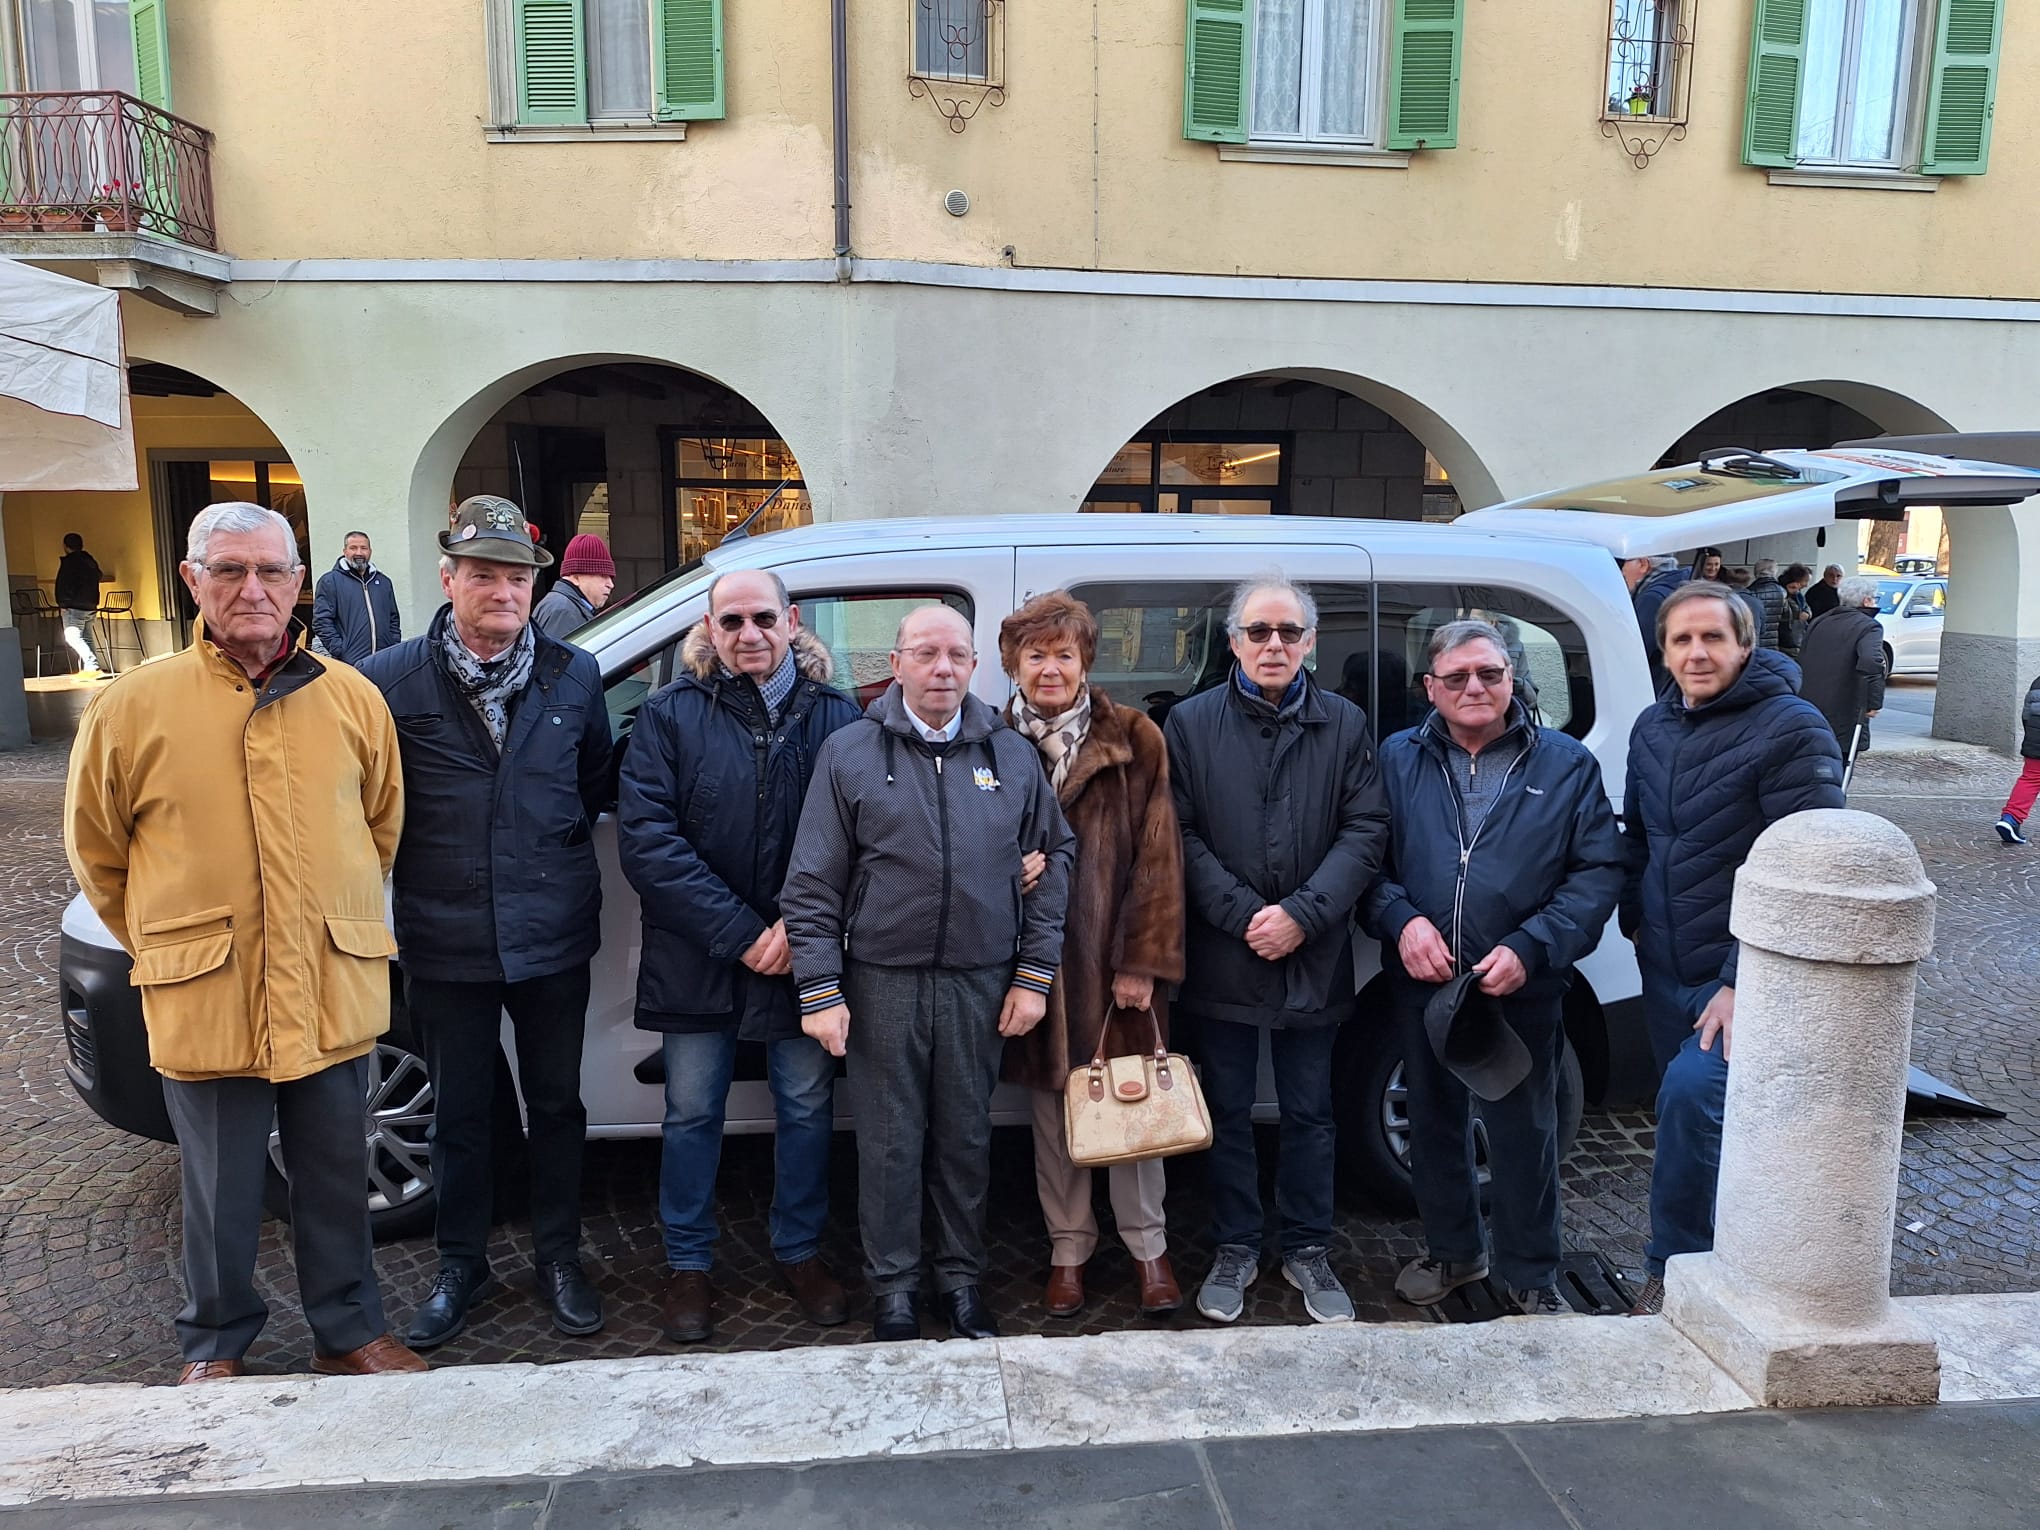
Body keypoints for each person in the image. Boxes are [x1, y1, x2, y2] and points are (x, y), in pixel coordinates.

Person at [65, 502, 426, 1383]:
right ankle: (216, 1347)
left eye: (270, 571)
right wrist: (171, 940)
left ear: (300, 583)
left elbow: (381, 828)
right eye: (228, 570)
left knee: (337, 1176)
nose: (251, 589)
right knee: (220, 1188)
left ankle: (348, 1332)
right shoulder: (133, 707)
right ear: (193, 581)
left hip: (329, 985)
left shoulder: (350, 697)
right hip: (208, 987)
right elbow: (99, 855)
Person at [357, 495, 613, 1349]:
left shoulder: (573, 675)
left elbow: (588, 786)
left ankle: (559, 1258)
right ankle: (459, 1265)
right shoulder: (388, 681)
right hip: (445, 934)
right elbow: (363, 807)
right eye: (483, 575)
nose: (501, 591)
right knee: (460, 1114)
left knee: (558, 1105)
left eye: (516, 577)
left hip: (551, 933)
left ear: (535, 584)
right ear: (448, 578)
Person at [782, 602, 1074, 1343]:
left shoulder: (1008, 755)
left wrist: (1034, 975)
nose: (941, 668)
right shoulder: (849, 754)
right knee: (887, 1141)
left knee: (965, 1138)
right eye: (925, 654)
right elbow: (812, 882)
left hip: (981, 980)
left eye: (955, 655)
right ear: (898, 665)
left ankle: (961, 1280)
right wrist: (820, 990)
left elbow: (1056, 858)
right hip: (882, 979)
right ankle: (895, 1289)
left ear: (974, 666)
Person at [617, 569, 861, 1344]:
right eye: (732, 620)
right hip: (700, 954)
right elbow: (649, 841)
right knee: (691, 1114)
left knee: (806, 1108)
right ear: (709, 627)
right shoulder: (668, 714)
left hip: (803, 954)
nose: (748, 633)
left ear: (792, 621)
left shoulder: (836, 717)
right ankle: (687, 1264)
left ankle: (800, 1250)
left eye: (763, 617)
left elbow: (863, 837)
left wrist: (798, 927)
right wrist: (745, 933)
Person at [1366, 620, 1623, 1318]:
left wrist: (1535, 945)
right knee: (1434, 1122)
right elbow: (1367, 862)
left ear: (1513, 678)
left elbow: (1598, 872)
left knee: (1523, 1130)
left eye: (1489, 674)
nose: (1474, 688)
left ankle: (1531, 1270)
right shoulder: (1397, 757)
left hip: (1521, 981)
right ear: (1431, 687)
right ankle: (1454, 1253)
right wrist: (1401, 921)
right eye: (1456, 677)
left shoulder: (1565, 764)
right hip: (1424, 980)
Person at [1164, 574, 1389, 1326]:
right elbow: (1180, 834)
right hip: (1223, 948)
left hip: (1313, 948)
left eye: (1288, 632)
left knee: (1311, 1111)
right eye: (1258, 631)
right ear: (1231, 641)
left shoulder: (1345, 723)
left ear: (1310, 643)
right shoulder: (1190, 725)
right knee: (1224, 1107)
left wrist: (1302, 914)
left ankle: (1305, 1246)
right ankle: (1234, 1244)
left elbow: (1366, 830)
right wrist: (1240, 914)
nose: (1273, 645)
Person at [1620, 581, 1845, 1315]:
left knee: (1694, 1098)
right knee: (1694, 1123)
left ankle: (1672, 1273)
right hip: (1665, 966)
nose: (1697, 653)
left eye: (1712, 637)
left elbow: (1811, 866)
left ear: (1745, 645)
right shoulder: (1652, 728)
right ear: (1664, 649)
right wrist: (1632, 913)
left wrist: (1741, 980)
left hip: (1743, 980)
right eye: (1682, 640)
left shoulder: (1793, 728)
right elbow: (1640, 836)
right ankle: (1725, 1255)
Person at [995, 592, 1187, 1319]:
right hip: (1029, 966)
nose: (1050, 668)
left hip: (1112, 964)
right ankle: (1068, 1251)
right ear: (1013, 663)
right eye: (1036, 654)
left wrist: (1142, 961)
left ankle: (1149, 1250)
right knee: (1055, 1115)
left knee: (1133, 1109)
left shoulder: (1134, 737)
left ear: (1086, 663)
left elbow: (1160, 857)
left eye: (1064, 654)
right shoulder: (988, 740)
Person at [1795, 575, 1885, 758]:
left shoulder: (1820, 621)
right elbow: (1871, 662)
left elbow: (1802, 658)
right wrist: (1873, 702)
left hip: (1811, 702)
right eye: (1874, 598)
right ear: (1867, 600)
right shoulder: (1869, 626)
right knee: (1841, 760)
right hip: (1846, 706)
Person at [311, 530, 402, 665]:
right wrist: (340, 650)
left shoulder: (383, 582)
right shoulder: (330, 581)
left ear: (370, 551)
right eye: (353, 548)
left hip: (383, 660)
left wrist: (392, 644)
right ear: (345, 551)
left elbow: (393, 618)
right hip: (351, 663)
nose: (359, 553)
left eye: (363, 548)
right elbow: (321, 621)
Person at [532, 534, 616, 640]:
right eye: (603, 576)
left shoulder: (563, 606)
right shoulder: (564, 611)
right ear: (576, 577)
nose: (610, 585)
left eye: (611, 577)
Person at [1627, 553, 1686, 694]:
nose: (1622, 571)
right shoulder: (1677, 586)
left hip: (1655, 688)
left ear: (1643, 564)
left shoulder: (1652, 599)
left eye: (1624, 564)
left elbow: (1634, 655)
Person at [1993, 673, 2040, 845]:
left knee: (2031, 779)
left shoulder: (2038, 682)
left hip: (2036, 737)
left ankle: (2010, 819)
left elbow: (2026, 715)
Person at [53, 531, 106, 676]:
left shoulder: (69, 563)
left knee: (72, 636)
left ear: (65, 546)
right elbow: (99, 575)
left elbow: (65, 585)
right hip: (91, 605)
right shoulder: (89, 561)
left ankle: (91, 664)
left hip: (74, 607)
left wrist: (63, 603)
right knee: (87, 636)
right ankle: (91, 669)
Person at [1744, 559, 1788, 651]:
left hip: (1757, 639)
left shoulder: (1751, 591)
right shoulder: (1782, 591)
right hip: (1774, 640)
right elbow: (1786, 614)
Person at [1777, 563, 1813, 654]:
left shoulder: (1798, 594)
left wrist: (1807, 613)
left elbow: (1806, 607)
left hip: (1797, 637)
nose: (1806, 585)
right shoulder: (1781, 592)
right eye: (1805, 581)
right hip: (1786, 640)